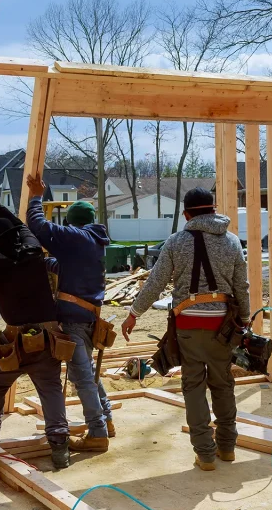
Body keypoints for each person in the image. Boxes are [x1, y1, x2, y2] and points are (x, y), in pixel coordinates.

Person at [120, 188, 250, 471]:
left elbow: (155, 283)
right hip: (223, 326)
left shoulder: (176, 242)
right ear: (214, 210)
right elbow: (242, 286)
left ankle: (205, 453)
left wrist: (133, 314)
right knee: (223, 383)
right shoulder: (231, 242)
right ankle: (227, 448)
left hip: (188, 325)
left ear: (186, 215)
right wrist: (247, 320)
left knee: (193, 386)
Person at [0, 174, 70, 469]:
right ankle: (59, 447)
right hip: (48, 340)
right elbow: (20, 226)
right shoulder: (35, 254)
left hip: (13, 345)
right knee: (50, 390)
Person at [25, 175, 113, 453]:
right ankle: (106, 420)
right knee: (88, 373)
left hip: (74, 320)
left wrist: (36, 197)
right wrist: (45, 263)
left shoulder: (78, 237)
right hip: (88, 317)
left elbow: (38, 226)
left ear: (72, 223)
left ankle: (97, 433)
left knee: (82, 378)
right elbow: (69, 269)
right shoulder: (94, 243)